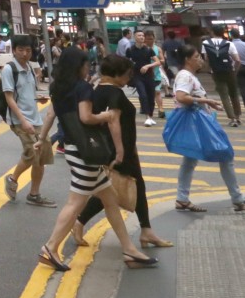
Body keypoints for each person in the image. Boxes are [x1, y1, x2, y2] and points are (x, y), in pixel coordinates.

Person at [36, 47, 157, 272]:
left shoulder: (58, 87)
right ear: (78, 66)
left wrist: (42, 139)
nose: (88, 68)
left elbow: (52, 114)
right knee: (75, 203)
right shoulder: (82, 88)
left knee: (109, 199)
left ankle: (129, 249)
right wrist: (106, 116)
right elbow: (86, 117)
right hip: (85, 152)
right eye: (85, 64)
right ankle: (50, 247)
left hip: (74, 148)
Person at [72, 55, 173, 249]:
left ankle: (146, 230)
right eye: (127, 73)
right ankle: (145, 231)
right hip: (118, 149)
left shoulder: (98, 90)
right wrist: (120, 152)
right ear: (117, 73)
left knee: (115, 188)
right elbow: (113, 121)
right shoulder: (114, 93)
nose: (129, 77)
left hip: (115, 147)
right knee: (117, 188)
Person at [171, 45, 245, 213]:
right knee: (225, 154)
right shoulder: (185, 75)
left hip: (196, 122)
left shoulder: (186, 75)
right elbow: (181, 97)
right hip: (197, 123)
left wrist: (207, 103)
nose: (200, 59)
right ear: (187, 59)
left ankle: (182, 198)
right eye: (197, 56)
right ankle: (238, 200)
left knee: (190, 160)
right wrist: (207, 102)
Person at [2, 35, 56, 207]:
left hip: (36, 118)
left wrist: (37, 98)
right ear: (14, 50)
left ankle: (34, 194)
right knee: (33, 153)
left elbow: (27, 92)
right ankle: (12, 179)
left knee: (42, 155)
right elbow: (9, 98)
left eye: (28, 50)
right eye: (21, 50)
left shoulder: (30, 68)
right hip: (20, 120)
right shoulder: (9, 70)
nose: (25, 53)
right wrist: (23, 121)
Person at [201, 27, 243, 126]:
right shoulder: (229, 43)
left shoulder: (206, 43)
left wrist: (209, 70)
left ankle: (232, 119)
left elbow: (206, 59)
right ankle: (238, 116)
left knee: (224, 95)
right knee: (234, 94)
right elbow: (237, 60)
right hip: (229, 71)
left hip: (216, 72)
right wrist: (234, 70)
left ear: (212, 32)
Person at [126, 31, 160, 127]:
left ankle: (150, 116)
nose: (141, 37)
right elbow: (126, 62)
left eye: (142, 35)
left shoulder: (149, 50)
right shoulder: (130, 50)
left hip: (149, 76)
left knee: (151, 97)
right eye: (139, 35)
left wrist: (148, 66)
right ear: (134, 37)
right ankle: (147, 117)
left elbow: (158, 62)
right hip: (137, 76)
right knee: (143, 95)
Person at [144, 31, 169, 119]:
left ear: (154, 39)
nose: (150, 41)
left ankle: (161, 109)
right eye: (147, 39)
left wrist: (155, 60)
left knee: (157, 91)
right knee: (146, 93)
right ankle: (147, 109)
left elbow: (162, 61)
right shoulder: (143, 49)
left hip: (156, 74)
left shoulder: (157, 49)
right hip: (145, 74)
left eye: (151, 39)